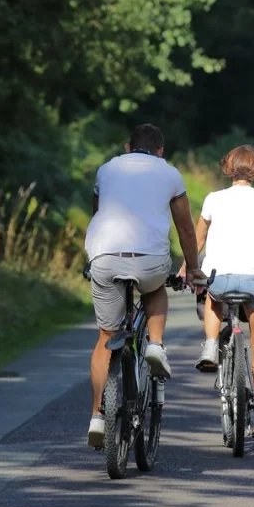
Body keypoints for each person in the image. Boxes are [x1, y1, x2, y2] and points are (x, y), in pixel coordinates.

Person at [84, 123, 204, 448]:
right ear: (160, 151)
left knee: (105, 337)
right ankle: (155, 344)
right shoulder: (170, 173)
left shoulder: (106, 170)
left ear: (127, 147)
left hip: (105, 257)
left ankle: (98, 416)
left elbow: (97, 214)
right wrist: (193, 269)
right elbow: (186, 229)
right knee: (155, 288)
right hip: (149, 259)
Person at [180, 145, 254, 438]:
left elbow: (197, 240)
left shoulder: (214, 199)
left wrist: (185, 268)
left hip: (221, 279)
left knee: (212, 295)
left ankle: (209, 344)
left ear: (228, 167)